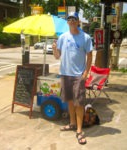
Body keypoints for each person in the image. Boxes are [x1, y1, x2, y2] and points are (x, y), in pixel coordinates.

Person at [52, 12, 93, 145]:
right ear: (67, 22)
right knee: (70, 101)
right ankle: (72, 123)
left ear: (78, 21)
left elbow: (90, 56)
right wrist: (54, 49)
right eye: (69, 19)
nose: (71, 21)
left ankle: (79, 131)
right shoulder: (63, 37)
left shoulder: (85, 37)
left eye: (74, 19)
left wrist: (86, 73)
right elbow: (57, 56)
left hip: (78, 75)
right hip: (65, 74)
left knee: (79, 103)